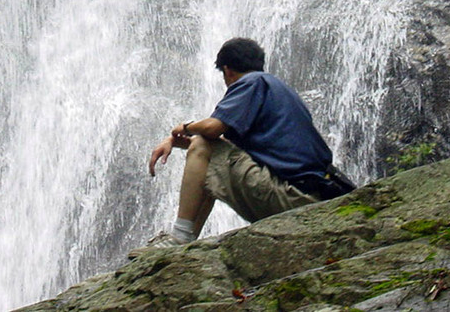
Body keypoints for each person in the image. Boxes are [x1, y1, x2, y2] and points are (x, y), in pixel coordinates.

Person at [146, 37, 352, 245]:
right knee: (207, 155)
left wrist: (183, 129)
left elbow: (211, 131)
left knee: (203, 149)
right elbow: (221, 148)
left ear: (227, 71)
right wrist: (173, 141)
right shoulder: (277, 90)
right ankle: (185, 239)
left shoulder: (252, 83)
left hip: (291, 197)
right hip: (311, 194)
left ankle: (180, 237)